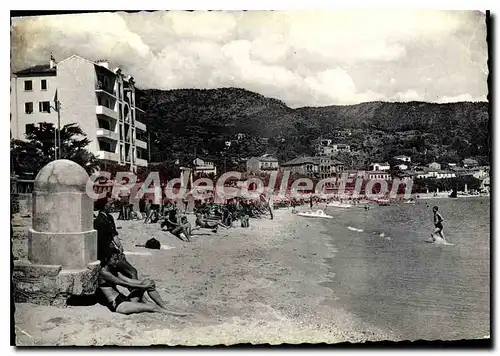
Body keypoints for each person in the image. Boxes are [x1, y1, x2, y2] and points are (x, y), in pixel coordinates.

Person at [97, 257, 188, 316]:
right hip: (118, 305)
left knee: (147, 282)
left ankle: (164, 307)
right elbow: (123, 284)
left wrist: (145, 283)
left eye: (117, 259)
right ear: (107, 260)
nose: (117, 262)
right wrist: (143, 286)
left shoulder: (113, 270)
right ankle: (176, 314)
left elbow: (129, 280)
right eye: (114, 259)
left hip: (124, 299)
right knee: (153, 308)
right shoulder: (104, 273)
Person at [94, 192, 139, 285]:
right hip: (108, 255)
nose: (112, 206)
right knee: (132, 272)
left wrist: (120, 246)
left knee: (129, 274)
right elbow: (101, 243)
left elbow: (114, 234)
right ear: (104, 205)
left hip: (113, 252)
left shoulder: (109, 217)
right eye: (110, 204)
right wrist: (112, 255)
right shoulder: (99, 221)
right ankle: (136, 296)